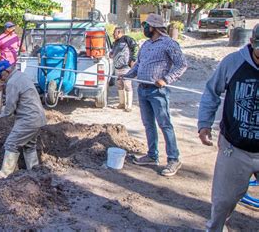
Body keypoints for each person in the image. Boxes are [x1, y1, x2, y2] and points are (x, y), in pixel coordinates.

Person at [197, 24, 259, 231]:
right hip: (235, 149)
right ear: (252, 43)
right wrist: (204, 123)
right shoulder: (233, 63)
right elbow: (211, 92)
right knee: (222, 202)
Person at [122, 14, 187, 177]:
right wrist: (127, 75)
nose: (144, 29)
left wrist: (166, 79)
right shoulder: (145, 45)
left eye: (146, 26)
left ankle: (173, 158)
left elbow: (181, 65)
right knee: (148, 124)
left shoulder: (169, 44)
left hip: (158, 91)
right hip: (142, 89)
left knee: (165, 125)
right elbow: (139, 66)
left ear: (154, 27)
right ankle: (152, 155)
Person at [0, 60, 47, 180]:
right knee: (29, 145)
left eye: (1, 75)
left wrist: (1, 115)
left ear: (7, 71)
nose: (1, 79)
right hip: (37, 118)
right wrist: (5, 88)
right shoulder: (20, 76)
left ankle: (5, 174)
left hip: (28, 119)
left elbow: (10, 108)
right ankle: (34, 171)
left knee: (11, 143)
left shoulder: (12, 83)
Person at [109, 27, 138, 112]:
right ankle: (122, 103)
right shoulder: (115, 43)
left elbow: (135, 48)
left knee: (127, 85)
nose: (113, 34)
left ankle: (129, 106)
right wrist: (111, 54)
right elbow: (113, 51)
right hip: (117, 67)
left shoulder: (127, 39)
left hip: (126, 67)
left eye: (114, 33)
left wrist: (133, 60)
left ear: (119, 32)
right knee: (119, 85)